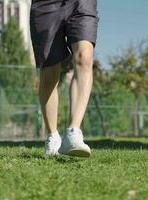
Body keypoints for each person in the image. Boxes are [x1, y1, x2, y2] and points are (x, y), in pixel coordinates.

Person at [30, 0, 99, 157]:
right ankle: (53, 136)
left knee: (84, 58)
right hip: (46, 4)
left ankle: (73, 132)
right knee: (49, 70)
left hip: (83, 3)